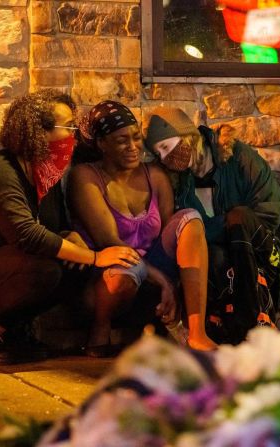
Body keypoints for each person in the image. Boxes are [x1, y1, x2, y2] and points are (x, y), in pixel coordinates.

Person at [0, 90, 138, 366]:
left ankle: (6, 329)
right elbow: (26, 235)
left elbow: (52, 229)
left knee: (72, 267)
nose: (73, 137)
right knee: (46, 267)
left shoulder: (44, 175)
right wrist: (97, 257)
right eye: (67, 128)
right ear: (38, 132)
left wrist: (72, 236)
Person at [67, 100, 218, 355]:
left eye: (136, 137)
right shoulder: (85, 177)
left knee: (190, 218)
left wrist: (172, 282)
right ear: (102, 144)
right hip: (109, 278)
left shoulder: (155, 176)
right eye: (121, 140)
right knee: (128, 265)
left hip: (152, 271)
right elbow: (110, 243)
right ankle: (100, 328)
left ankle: (197, 332)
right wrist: (164, 282)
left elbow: (171, 234)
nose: (133, 147)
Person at [144, 107, 280, 344]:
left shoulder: (238, 157)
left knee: (239, 216)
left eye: (165, 147)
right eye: (158, 153)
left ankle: (251, 319)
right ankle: (239, 325)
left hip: (261, 255)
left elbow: (270, 211)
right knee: (213, 253)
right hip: (218, 266)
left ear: (185, 134)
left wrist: (224, 227)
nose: (164, 157)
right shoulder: (177, 183)